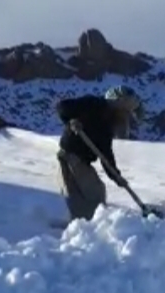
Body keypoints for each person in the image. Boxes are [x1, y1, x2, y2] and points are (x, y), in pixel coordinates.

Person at [54, 85, 143, 221]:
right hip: (70, 157)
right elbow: (62, 107)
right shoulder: (93, 104)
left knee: (96, 192)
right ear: (117, 104)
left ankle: (86, 224)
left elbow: (106, 155)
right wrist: (71, 121)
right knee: (89, 195)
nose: (125, 116)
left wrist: (117, 177)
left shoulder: (107, 126)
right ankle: (81, 227)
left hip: (82, 162)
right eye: (124, 111)